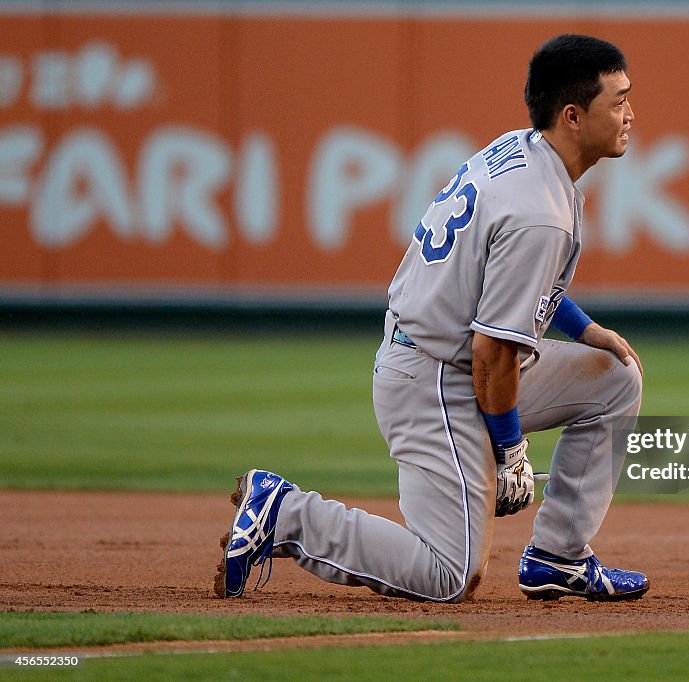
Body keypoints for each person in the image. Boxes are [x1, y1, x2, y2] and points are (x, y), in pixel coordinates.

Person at [215, 33, 647, 603]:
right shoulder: (541, 211)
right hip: (434, 380)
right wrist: (511, 452)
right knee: (451, 575)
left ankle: (558, 558)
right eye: (616, 101)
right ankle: (287, 514)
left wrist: (583, 329)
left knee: (613, 379)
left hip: (450, 362)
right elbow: (492, 352)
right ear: (573, 115)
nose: (629, 114)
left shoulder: (522, 153)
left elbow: (503, 286)